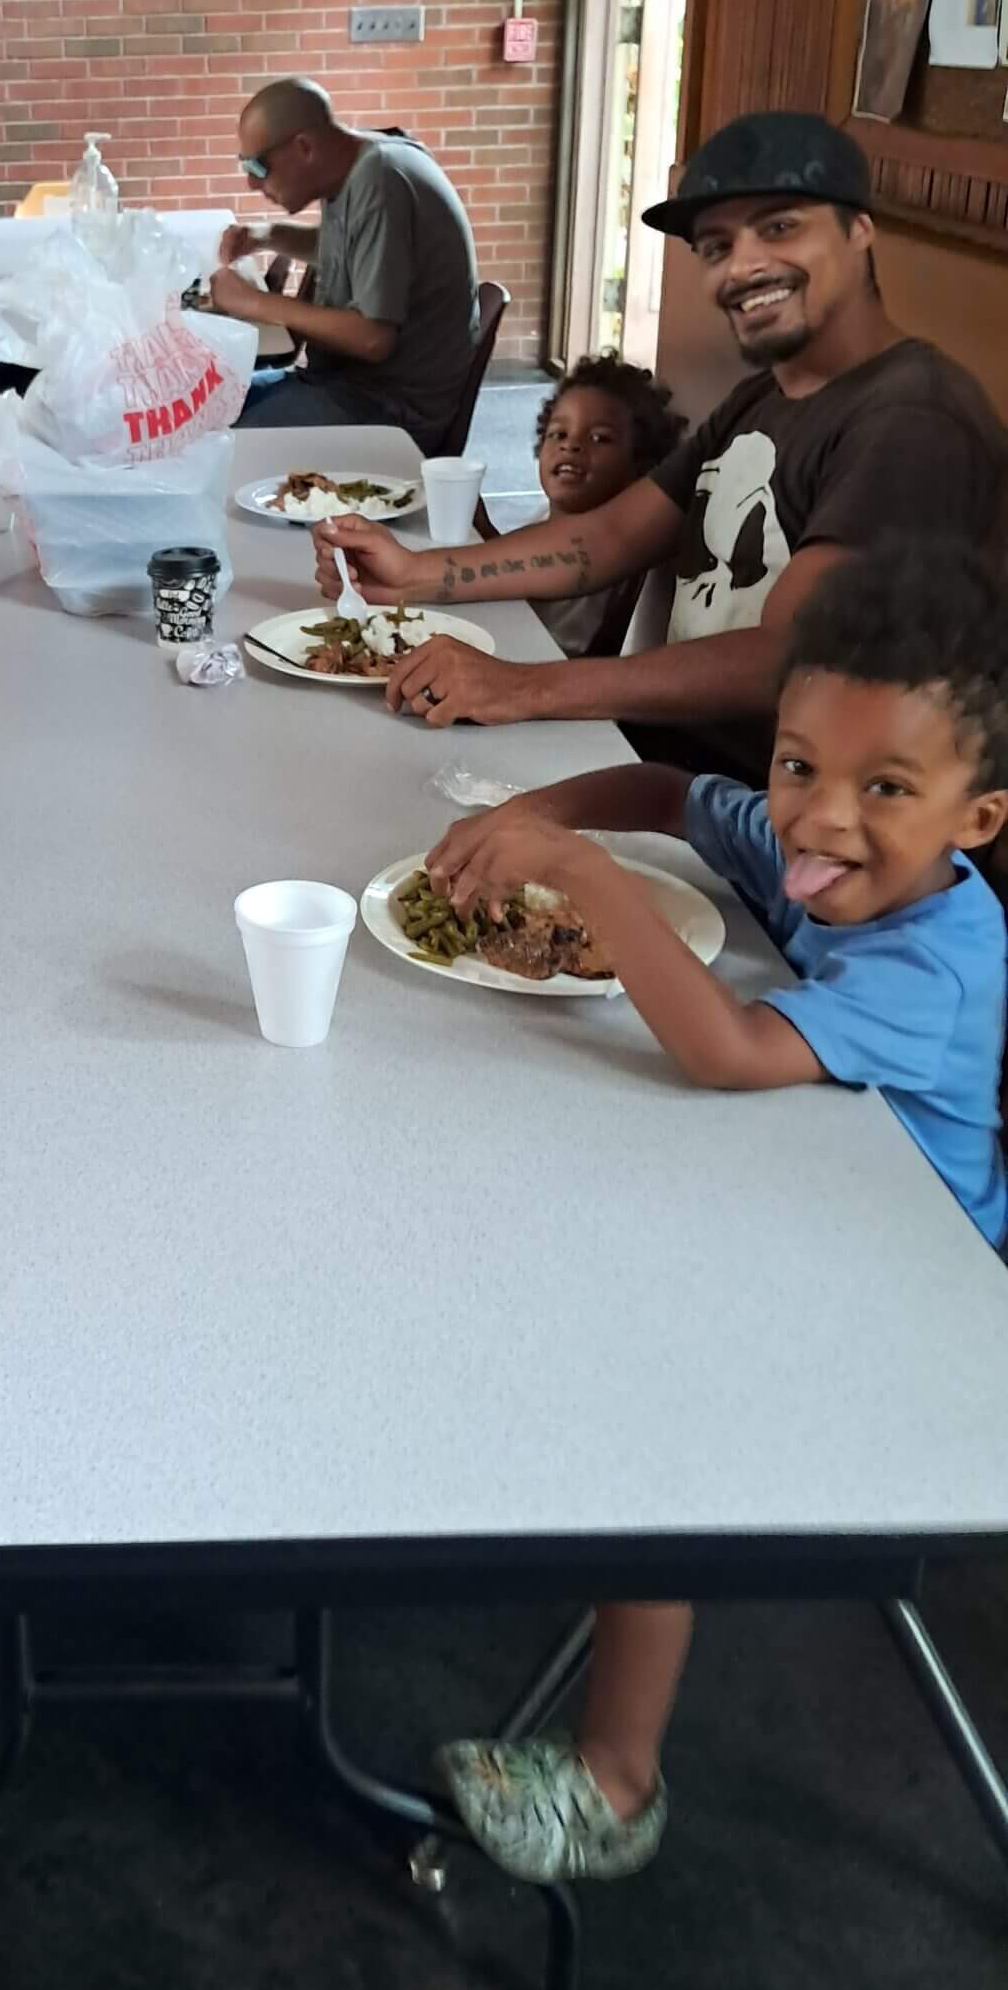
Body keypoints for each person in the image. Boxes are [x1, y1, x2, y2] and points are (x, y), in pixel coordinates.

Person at [425, 539, 1008, 1883]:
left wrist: (588, 883)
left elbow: (731, 1050)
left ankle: (615, 1782)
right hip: (809, 1200)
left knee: (663, 1406)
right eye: (800, 764)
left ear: (976, 821)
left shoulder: (938, 959)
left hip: (922, 1307)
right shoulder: (824, 844)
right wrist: (554, 824)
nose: (816, 819)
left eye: (886, 789)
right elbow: (673, 789)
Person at [312, 111, 1008, 782]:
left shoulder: (911, 420)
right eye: (716, 246)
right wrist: (413, 572)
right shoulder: (765, 396)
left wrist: (525, 688)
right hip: (682, 754)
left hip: (789, 819)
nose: (743, 266)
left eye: (779, 227)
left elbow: (790, 659)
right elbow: (610, 537)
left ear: (859, 231)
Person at [206, 78, 480, 450]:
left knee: (211, 449)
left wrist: (253, 303)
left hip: (388, 414)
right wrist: (268, 235)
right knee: (200, 409)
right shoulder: (358, 164)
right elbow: (353, 250)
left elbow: (372, 337)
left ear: (304, 147)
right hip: (340, 387)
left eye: (257, 166)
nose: (252, 185)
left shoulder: (381, 181)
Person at [474, 357, 686, 659]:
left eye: (599, 438)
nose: (571, 445)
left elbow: (540, 625)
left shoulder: (615, 554)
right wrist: (486, 533)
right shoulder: (543, 520)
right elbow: (525, 582)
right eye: (558, 434)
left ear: (641, 464)